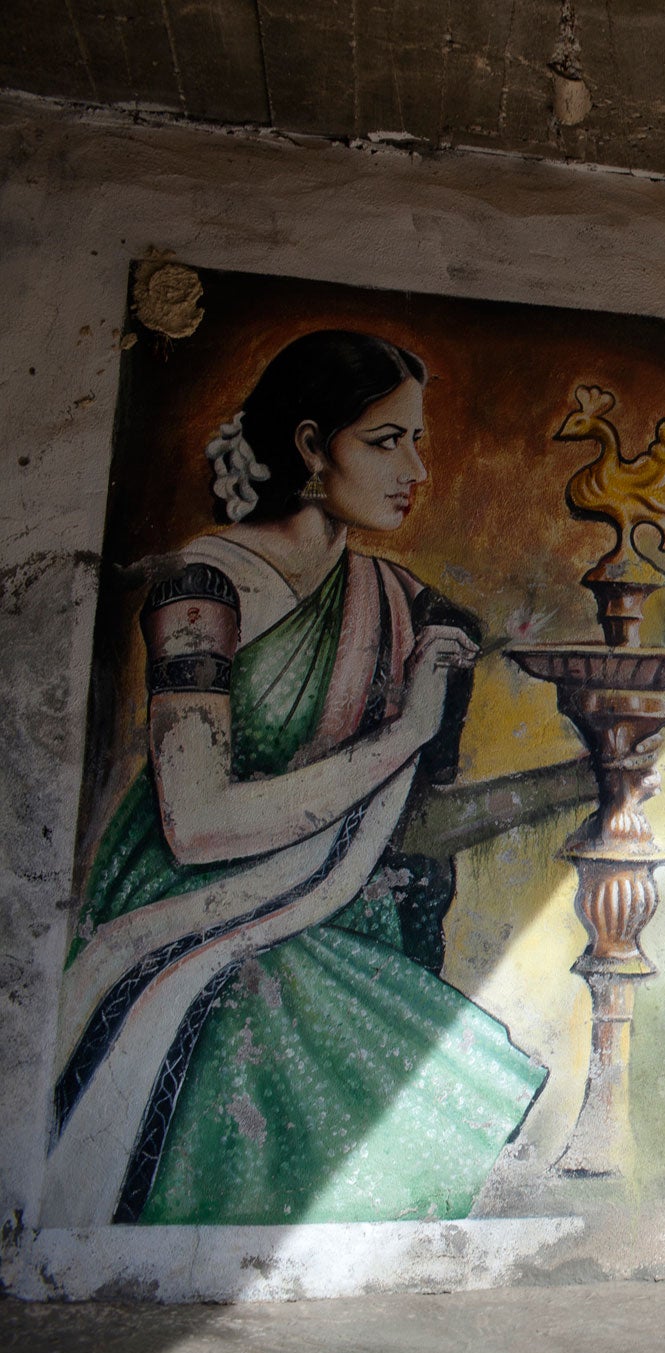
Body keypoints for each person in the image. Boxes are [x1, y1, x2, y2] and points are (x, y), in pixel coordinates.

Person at [45, 330, 546, 1226]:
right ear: (313, 446)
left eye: (418, 440)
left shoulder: (408, 607)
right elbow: (195, 822)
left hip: (327, 911)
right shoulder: (204, 585)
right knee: (271, 1027)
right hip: (188, 910)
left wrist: (592, 777)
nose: (417, 468)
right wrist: (408, 731)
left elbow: (413, 833)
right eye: (386, 441)